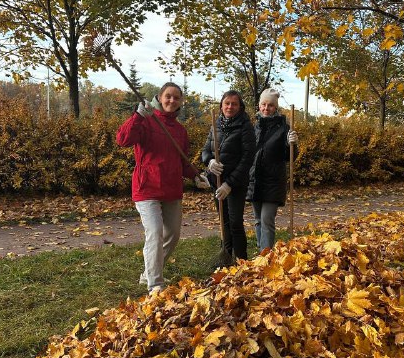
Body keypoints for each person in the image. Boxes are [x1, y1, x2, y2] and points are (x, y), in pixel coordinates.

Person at [116, 82, 210, 294]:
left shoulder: (180, 130)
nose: (171, 101)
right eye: (168, 96)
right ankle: (155, 284)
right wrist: (138, 115)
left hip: (171, 188)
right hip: (147, 187)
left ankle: (148, 272)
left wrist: (196, 176)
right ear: (159, 97)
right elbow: (122, 140)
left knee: (172, 235)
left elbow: (182, 161)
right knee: (155, 232)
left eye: (176, 98)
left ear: (181, 102)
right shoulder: (147, 121)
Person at [202, 90, 256, 262]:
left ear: (240, 107)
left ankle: (242, 261)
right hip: (217, 181)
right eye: (227, 103)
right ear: (221, 105)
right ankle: (226, 257)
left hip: (236, 184)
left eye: (234, 104)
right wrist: (209, 161)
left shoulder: (245, 126)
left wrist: (229, 184)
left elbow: (247, 158)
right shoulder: (216, 124)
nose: (230, 107)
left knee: (235, 223)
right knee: (223, 222)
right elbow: (205, 150)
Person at [247, 88, 298, 252]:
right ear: (259, 105)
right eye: (263, 104)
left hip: (273, 181)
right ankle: (262, 250)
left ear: (275, 107)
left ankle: (266, 257)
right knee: (257, 219)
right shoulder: (254, 127)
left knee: (266, 219)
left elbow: (289, 157)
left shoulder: (283, 128)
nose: (266, 108)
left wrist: (292, 144)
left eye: (270, 105)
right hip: (254, 179)